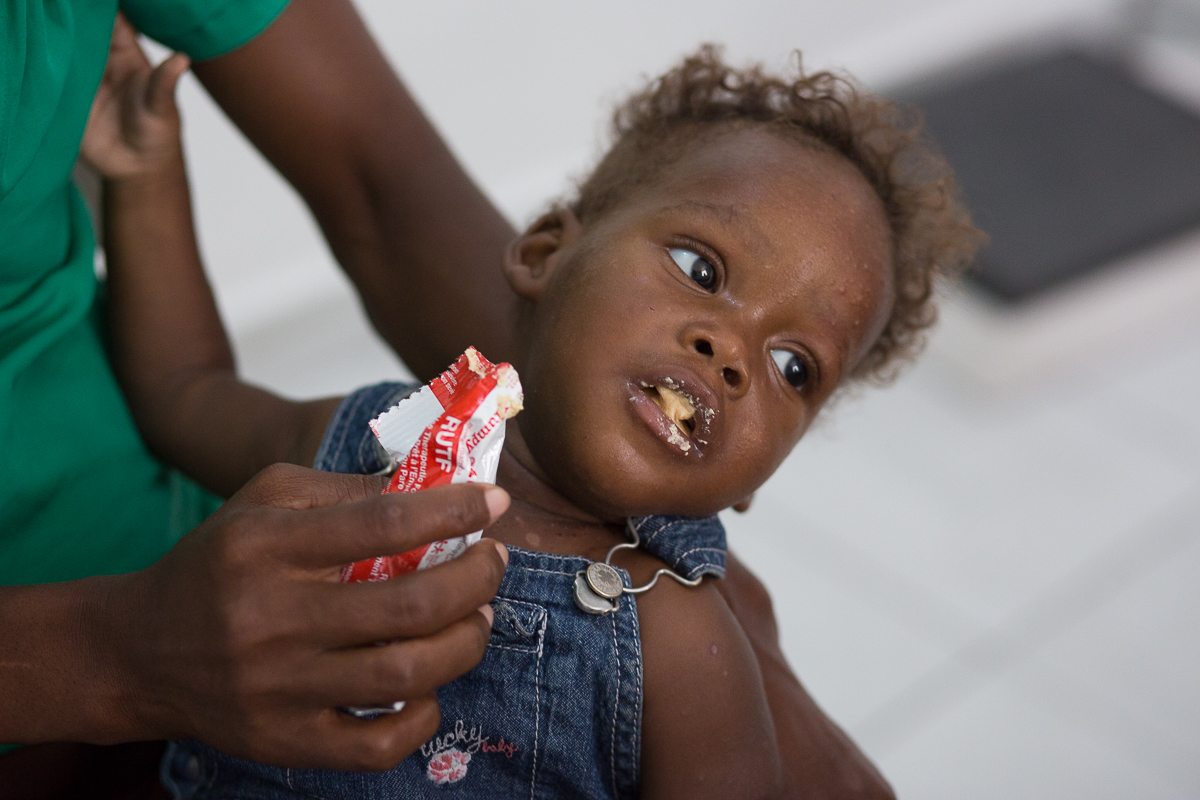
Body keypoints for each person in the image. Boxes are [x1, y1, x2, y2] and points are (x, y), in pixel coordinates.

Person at [82, 14, 980, 796]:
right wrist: (148, 176)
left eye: (793, 366)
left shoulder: (685, 651)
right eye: (701, 270)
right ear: (545, 253)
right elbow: (181, 393)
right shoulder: (370, 443)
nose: (731, 350)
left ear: (763, 476)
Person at [1, 0, 513, 794]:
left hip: (204, 611)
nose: (723, 354)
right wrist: (115, 655)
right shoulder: (354, 437)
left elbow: (376, 177)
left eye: (787, 366)